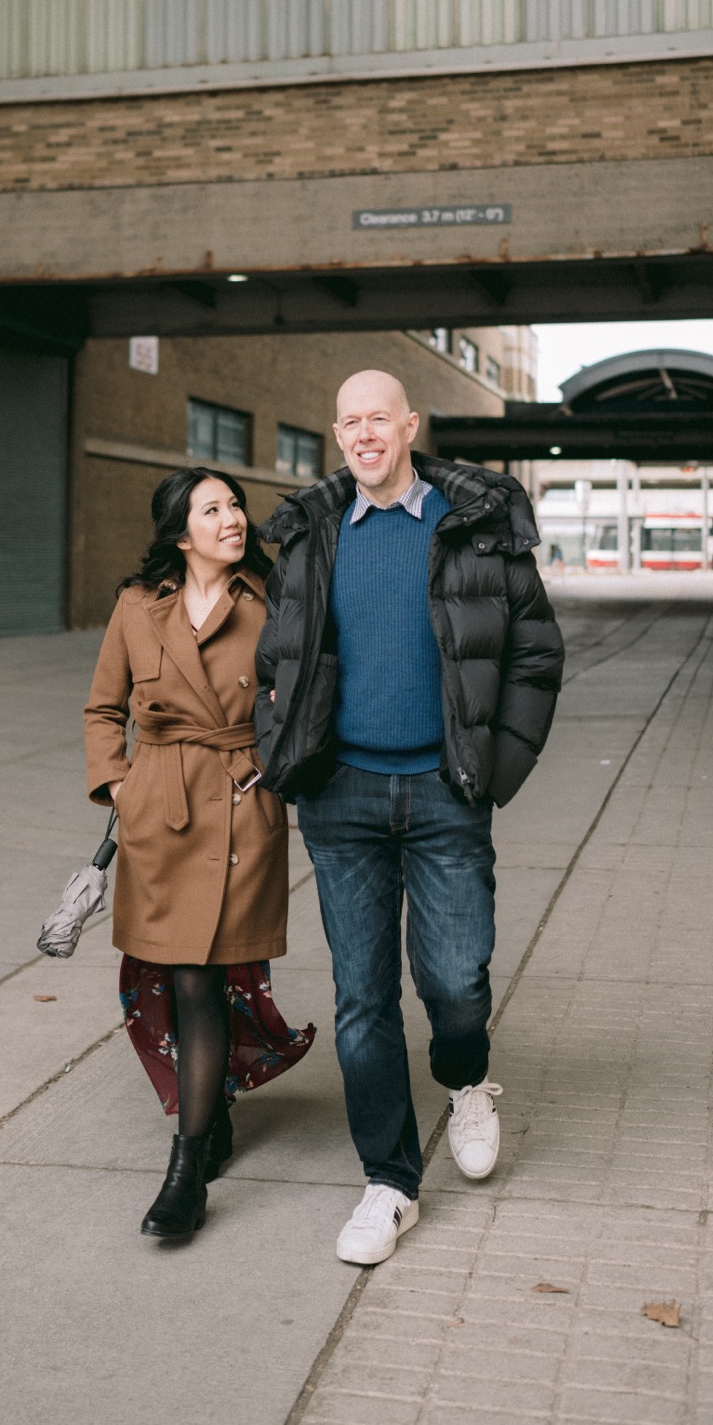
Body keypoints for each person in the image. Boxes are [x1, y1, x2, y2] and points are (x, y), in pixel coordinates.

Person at [255, 371, 564, 1267]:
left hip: (444, 790)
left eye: (376, 419)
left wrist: (491, 768)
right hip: (341, 797)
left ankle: (467, 1080)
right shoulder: (313, 533)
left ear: (410, 427)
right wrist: (286, 752)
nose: (362, 435)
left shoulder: (474, 520)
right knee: (362, 1001)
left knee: (457, 978)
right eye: (346, 421)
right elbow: (280, 654)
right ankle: (389, 1183)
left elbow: (535, 651)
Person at [84, 467, 314, 1243]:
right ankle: (205, 1123)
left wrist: (278, 774)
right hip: (163, 812)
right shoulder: (136, 608)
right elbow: (102, 708)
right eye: (213, 509)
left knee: (211, 972)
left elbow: (310, 697)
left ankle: (186, 1169)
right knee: (188, 979)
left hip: (244, 806)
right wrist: (118, 785)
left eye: (236, 505)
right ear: (181, 534)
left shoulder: (273, 599)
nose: (234, 518)